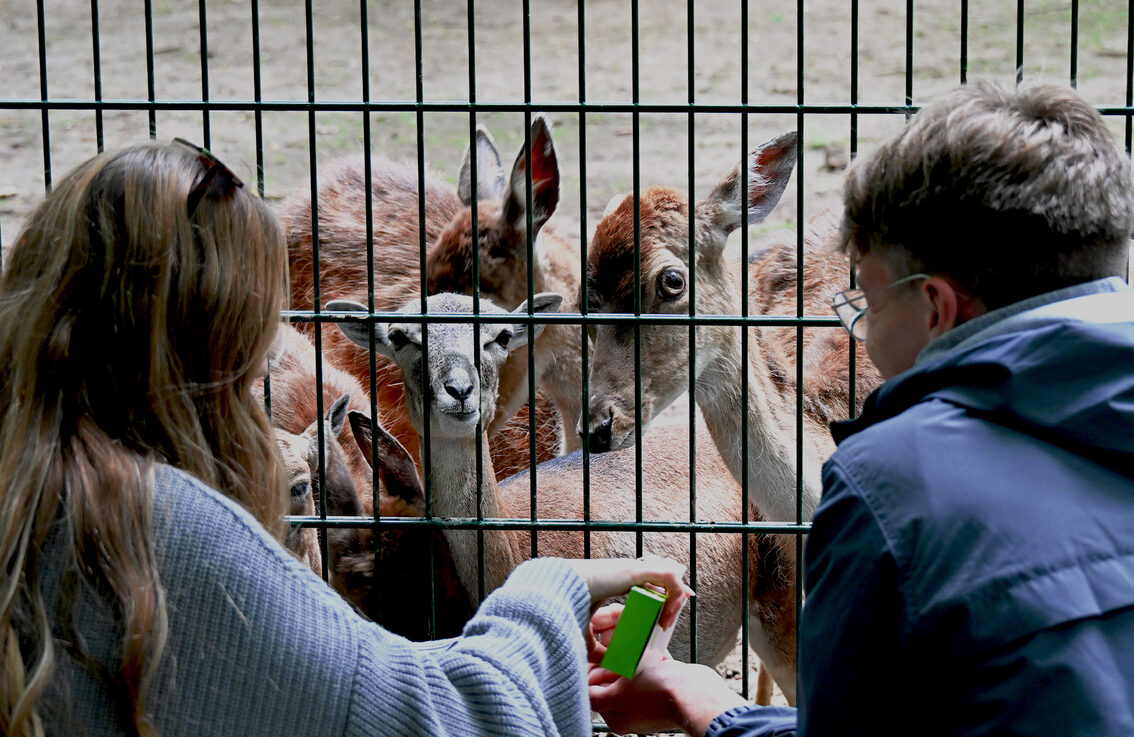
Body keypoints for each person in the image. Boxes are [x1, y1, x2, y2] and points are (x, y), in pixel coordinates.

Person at [0, 140, 694, 737]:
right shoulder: (156, 534)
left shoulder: (32, 486)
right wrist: (554, 586)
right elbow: (449, 717)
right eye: (257, 332)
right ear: (212, 352)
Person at [587, 81, 1134, 735]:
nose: (863, 332)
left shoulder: (887, 489)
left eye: (866, 307)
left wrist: (690, 698)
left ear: (937, 308)